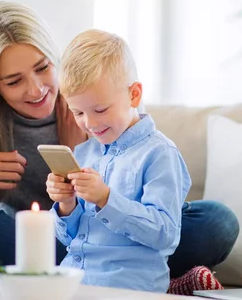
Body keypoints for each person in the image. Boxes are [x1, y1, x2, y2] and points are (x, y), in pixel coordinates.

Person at [0, 1, 239, 291]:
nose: (37, 90)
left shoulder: (97, 113)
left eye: (43, 67)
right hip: (44, 248)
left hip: (117, 241)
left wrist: (91, 148)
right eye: (15, 81)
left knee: (217, 221)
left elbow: (159, 203)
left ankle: (142, 280)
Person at [48, 29, 192, 292]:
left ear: (134, 95)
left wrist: (105, 198)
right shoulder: (83, 153)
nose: (89, 123)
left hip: (124, 287)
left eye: (100, 109)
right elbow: (69, 238)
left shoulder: (159, 154)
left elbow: (165, 235)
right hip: (71, 282)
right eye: (78, 112)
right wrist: (66, 204)